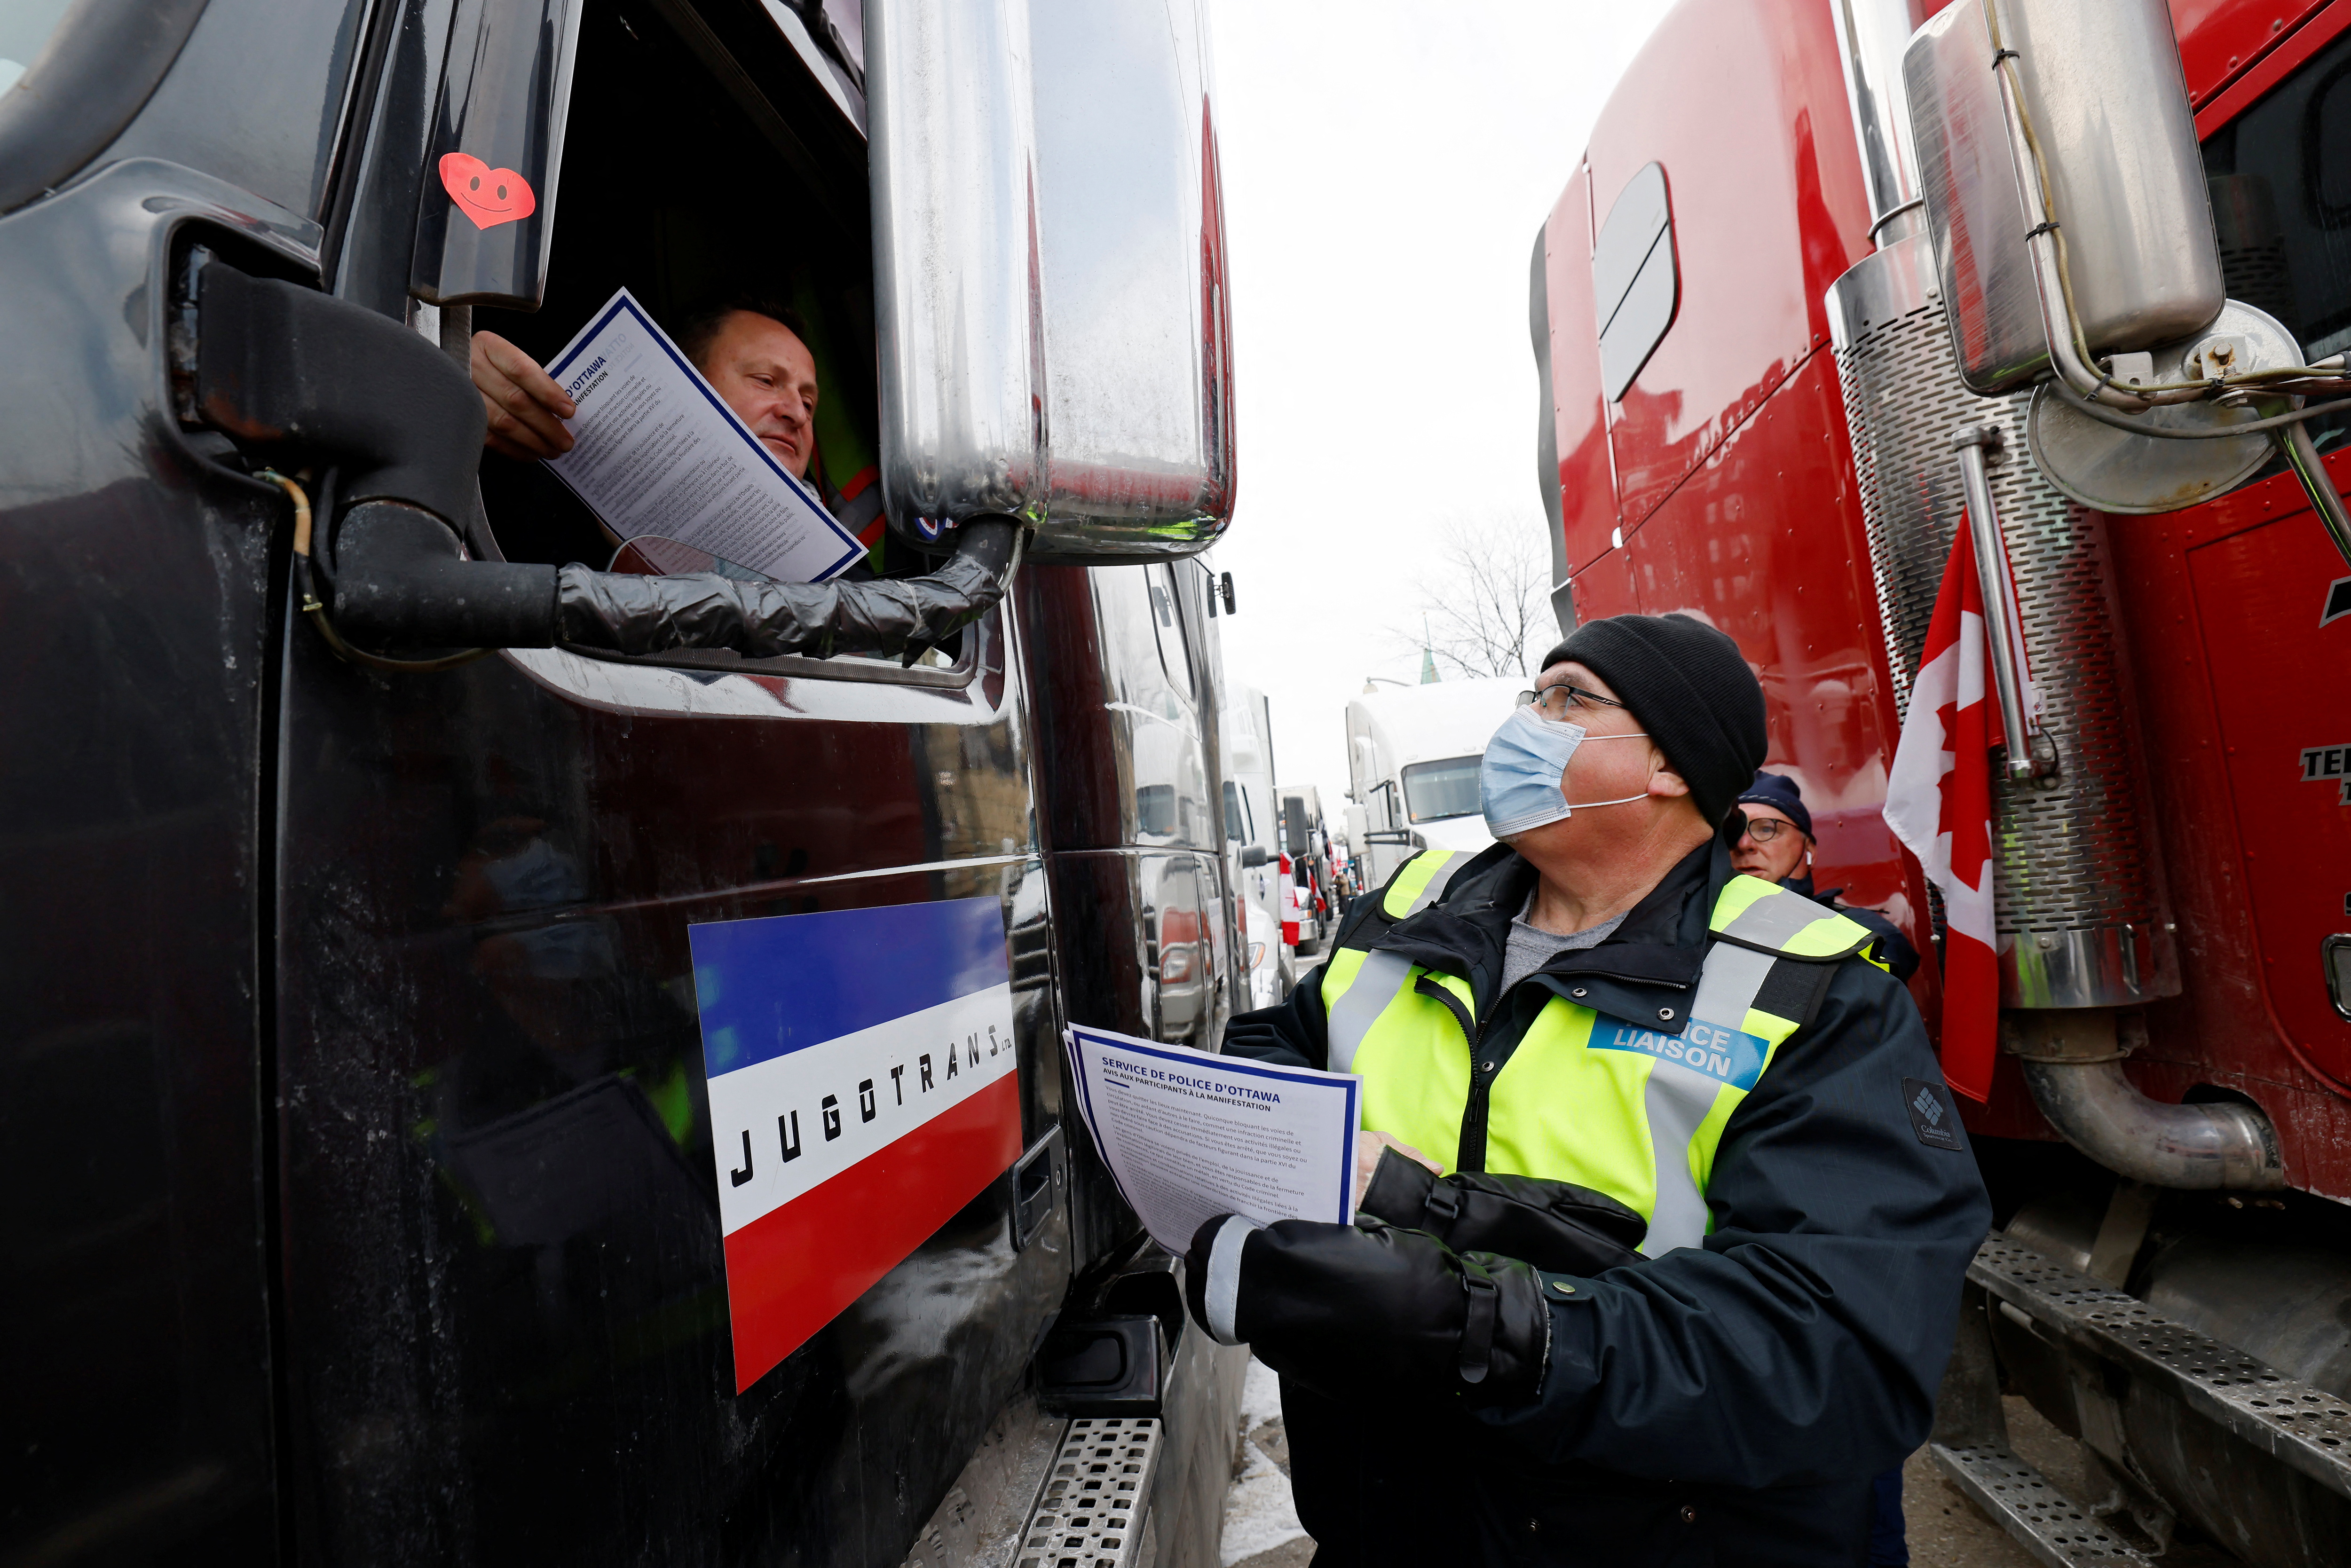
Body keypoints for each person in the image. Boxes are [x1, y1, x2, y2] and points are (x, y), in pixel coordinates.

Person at [1185, 612, 1990, 1567]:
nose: (1526, 720)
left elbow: (1836, 1343)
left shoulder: (1811, 989)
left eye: (1569, 698)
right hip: (1389, 1528)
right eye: (1534, 694)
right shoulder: (1409, 906)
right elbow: (1278, 1039)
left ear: (1671, 766)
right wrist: (1270, 1133)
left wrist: (1475, 1323)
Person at [468, 297, 889, 561]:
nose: (797, 413)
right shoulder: (537, 484)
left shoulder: (847, 583)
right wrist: (453, 384)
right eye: (765, 380)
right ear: (683, 381)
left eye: (810, 402)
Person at [1732, 770, 1922, 982]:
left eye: (1767, 829)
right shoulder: (1696, 926)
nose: (1744, 844)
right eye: (1731, 832)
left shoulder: (1865, 935)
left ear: (1809, 850)